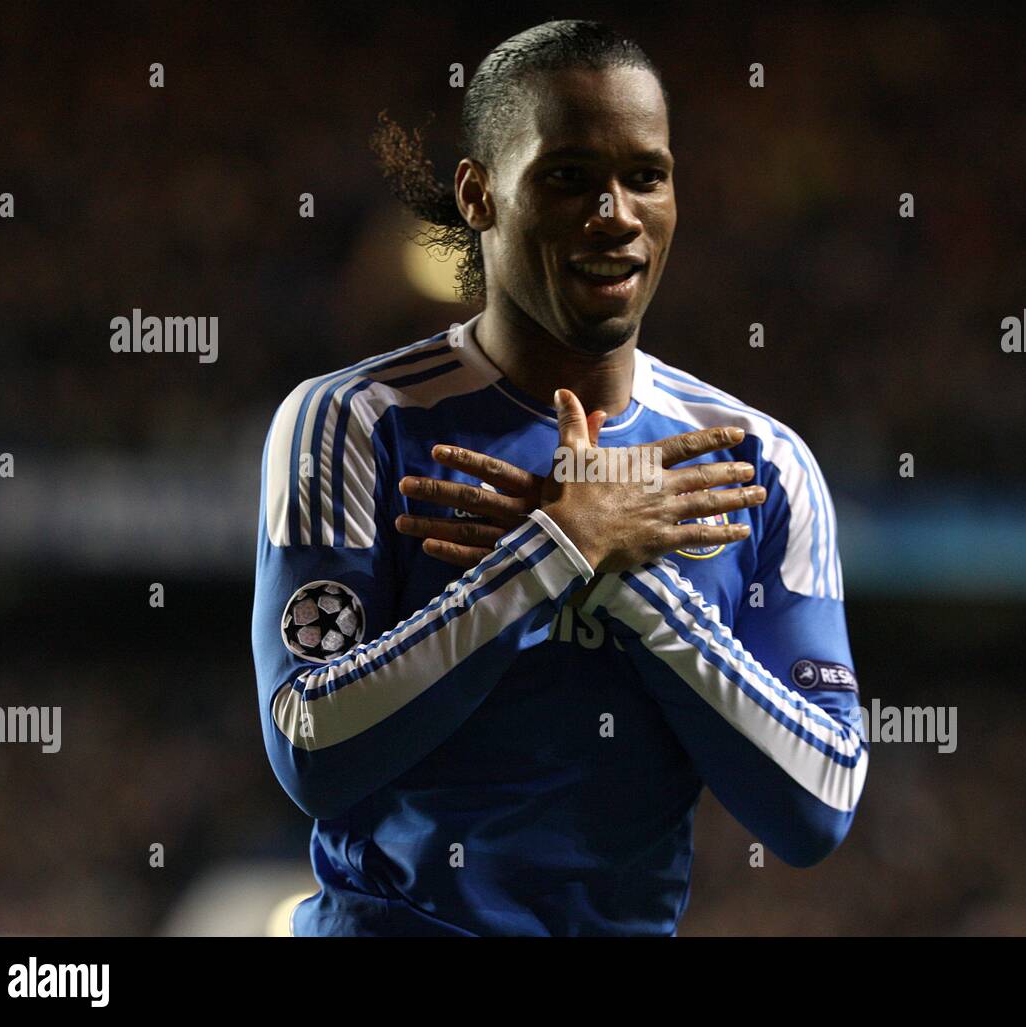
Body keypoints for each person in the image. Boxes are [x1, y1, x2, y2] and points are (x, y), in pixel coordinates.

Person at [251, 19, 867, 937]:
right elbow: (311, 742)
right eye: (569, 176)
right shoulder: (356, 419)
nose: (615, 213)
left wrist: (630, 581)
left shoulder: (759, 463)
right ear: (479, 195)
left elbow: (819, 803)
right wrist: (559, 546)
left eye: (646, 177)